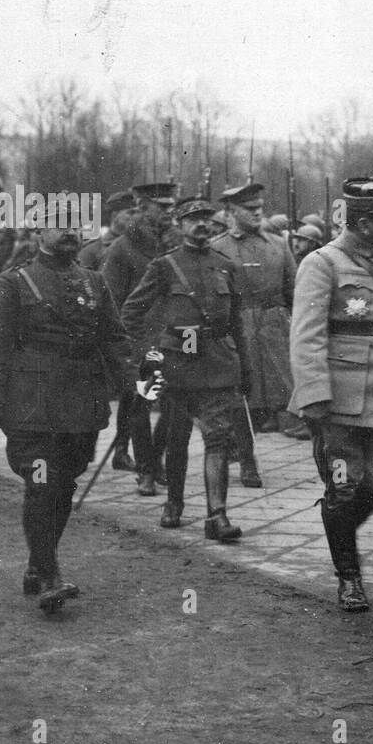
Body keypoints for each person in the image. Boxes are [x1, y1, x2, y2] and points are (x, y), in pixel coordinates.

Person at [0, 196, 136, 613]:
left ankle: (36, 563)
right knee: (42, 483)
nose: (68, 232)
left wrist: (132, 386)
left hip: (81, 403)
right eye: (57, 224)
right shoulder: (14, 282)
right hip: (31, 405)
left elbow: (114, 338)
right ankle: (49, 575)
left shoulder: (93, 282)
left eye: (75, 225)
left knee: (64, 486)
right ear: (37, 232)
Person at [289, 177, 373, 612]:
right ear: (362, 223)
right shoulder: (322, 264)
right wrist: (313, 395)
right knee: (344, 487)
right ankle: (349, 576)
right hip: (339, 399)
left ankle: (341, 529)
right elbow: (306, 335)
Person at [121, 197, 251, 541]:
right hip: (178, 363)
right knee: (177, 439)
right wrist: (148, 353)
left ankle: (217, 515)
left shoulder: (226, 266)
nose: (202, 225)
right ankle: (174, 503)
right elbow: (132, 312)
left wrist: (245, 368)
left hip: (218, 363)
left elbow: (236, 322)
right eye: (193, 219)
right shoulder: (165, 266)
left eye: (207, 218)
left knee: (218, 439)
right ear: (180, 224)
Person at [211, 182, 297, 485]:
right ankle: (247, 460)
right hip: (239, 327)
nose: (257, 212)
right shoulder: (218, 247)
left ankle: (240, 444)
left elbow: (293, 290)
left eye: (259, 207)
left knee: (276, 397)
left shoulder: (278, 244)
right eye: (249, 208)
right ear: (231, 211)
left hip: (274, 328)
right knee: (242, 398)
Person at [102, 183, 175, 488]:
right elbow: (111, 299)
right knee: (141, 404)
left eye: (172, 207)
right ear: (143, 208)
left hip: (174, 337)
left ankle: (156, 460)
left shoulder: (175, 244)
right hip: (139, 338)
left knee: (173, 406)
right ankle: (145, 467)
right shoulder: (122, 247)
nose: (169, 213)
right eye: (162, 207)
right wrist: (121, 344)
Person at [77, 190, 136, 271]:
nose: (136, 217)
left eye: (138, 212)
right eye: (131, 213)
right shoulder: (93, 250)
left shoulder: (142, 246)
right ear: (115, 215)